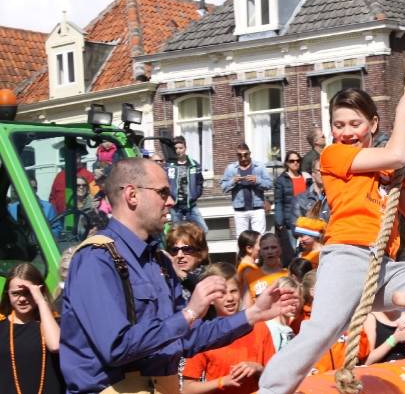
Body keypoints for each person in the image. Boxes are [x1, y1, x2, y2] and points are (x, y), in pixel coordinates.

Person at [258, 87, 405, 394]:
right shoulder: (333, 155)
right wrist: (403, 114)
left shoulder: (389, 171)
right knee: (324, 329)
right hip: (347, 257)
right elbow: (394, 153)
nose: (346, 132)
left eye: (355, 124)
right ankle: (271, 390)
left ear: (373, 124)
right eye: (339, 125)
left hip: (383, 267)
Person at [60, 158, 298, 393]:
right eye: (163, 193)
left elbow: (188, 337)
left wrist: (253, 314)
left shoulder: (159, 262)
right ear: (132, 195)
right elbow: (117, 346)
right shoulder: (96, 258)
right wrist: (189, 313)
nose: (171, 201)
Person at [182, 263, 276, 394]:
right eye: (222, 294)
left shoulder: (259, 327)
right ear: (211, 299)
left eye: (233, 291)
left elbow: (276, 378)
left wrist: (258, 369)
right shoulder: (205, 334)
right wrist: (222, 382)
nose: (230, 298)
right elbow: (187, 389)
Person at [0, 263, 64, 394]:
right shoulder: (1, 326)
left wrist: (41, 301)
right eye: (16, 293)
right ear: (7, 294)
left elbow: (55, 345)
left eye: (28, 293)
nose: (22, 299)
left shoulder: (54, 324)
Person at [221, 143, 273, 236]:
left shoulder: (259, 166)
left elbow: (269, 184)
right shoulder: (231, 168)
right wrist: (233, 181)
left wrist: (257, 180)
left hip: (257, 208)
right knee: (241, 238)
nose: (243, 158)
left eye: (245, 154)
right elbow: (223, 187)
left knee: (259, 237)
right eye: (240, 155)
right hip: (240, 209)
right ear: (237, 155)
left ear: (250, 153)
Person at [274, 151, 312, 267]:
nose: (295, 163)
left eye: (298, 160)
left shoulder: (306, 177)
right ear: (287, 163)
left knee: (306, 250)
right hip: (290, 222)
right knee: (292, 252)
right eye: (292, 161)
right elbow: (278, 202)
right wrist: (279, 222)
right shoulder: (281, 180)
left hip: (306, 221)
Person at [166, 136, 207, 232]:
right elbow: (165, 182)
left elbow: (200, 181)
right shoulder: (169, 165)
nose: (178, 151)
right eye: (176, 148)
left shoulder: (194, 165)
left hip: (191, 205)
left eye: (180, 148)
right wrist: (169, 196)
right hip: (176, 206)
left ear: (185, 148)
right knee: (177, 233)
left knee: (203, 229)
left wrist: (195, 194)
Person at [164, 221, 209, 302]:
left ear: (200, 252)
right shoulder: (166, 281)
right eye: (174, 250)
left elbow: (203, 291)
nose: (179, 255)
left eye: (187, 249)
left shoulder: (210, 277)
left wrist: (181, 274)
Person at [265, 277, 303, 353]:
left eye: (296, 298)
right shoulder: (270, 329)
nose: (293, 303)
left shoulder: (289, 329)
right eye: (288, 298)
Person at [250, 233, 289, 298]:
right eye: (265, 248)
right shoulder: (250, 277)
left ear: (280, 250)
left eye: (273, 247)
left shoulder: (288, 275)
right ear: (260, 252)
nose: (270, 251)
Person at [236, 230, 265, 306]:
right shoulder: (247, 268)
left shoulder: (250, 266)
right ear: (249, 248)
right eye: (260, 244)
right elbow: (251, 295)